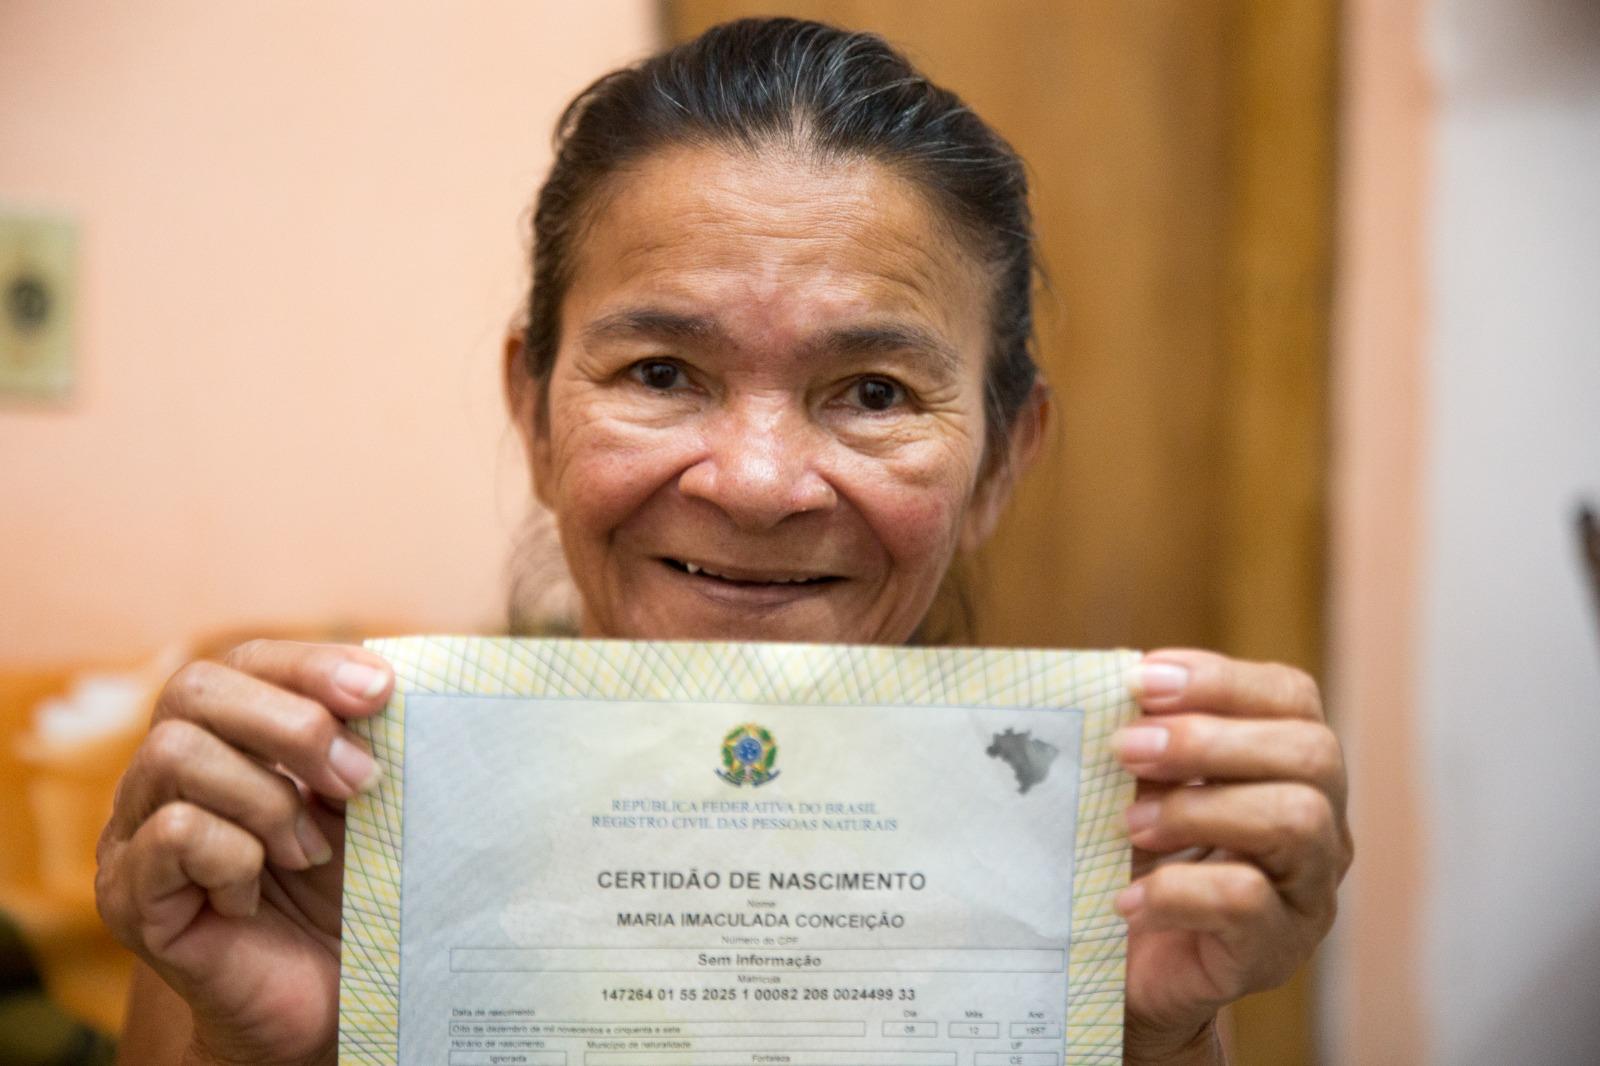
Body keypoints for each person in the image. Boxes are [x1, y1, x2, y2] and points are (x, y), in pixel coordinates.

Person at [94, 18, 1351, 1066]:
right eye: (659, 371)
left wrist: (1149, 1037)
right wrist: (265, 1046)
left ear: (1001, 461)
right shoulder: (314, 860)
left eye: (872, 392)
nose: (756, 484)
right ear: (533, 412)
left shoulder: (1090, 894)